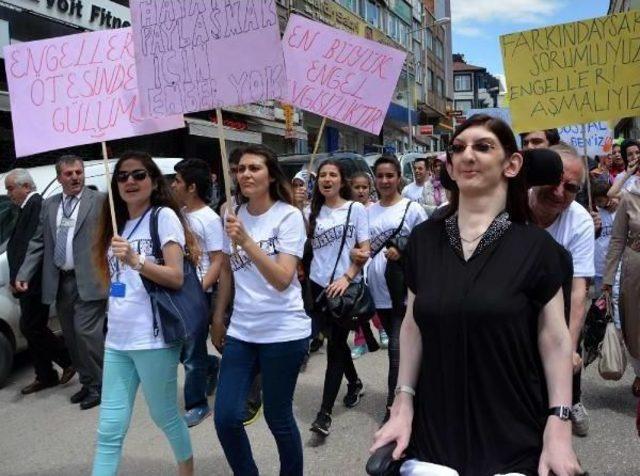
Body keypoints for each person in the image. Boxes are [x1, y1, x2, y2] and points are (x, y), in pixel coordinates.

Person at [371, 114, 581, 476]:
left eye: (483, 147)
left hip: (513, 434)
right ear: (449, 167)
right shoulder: (423, 241)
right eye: (458, 148)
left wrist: (558, 424)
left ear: (512, 164)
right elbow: (412, 326)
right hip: (436, 433)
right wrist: (402, 401)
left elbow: (555, 340)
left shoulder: (539, 249)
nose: (467, 155)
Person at [91, 151, 195, 476]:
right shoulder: (116, 223)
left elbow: (176, 276)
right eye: (122, 176)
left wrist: (137, 262)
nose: (130, 181)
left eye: (138, 175)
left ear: (152, 180)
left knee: (164, 415)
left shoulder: (162, 216)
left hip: (154, 339)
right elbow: (118, 283)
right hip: (117, 340)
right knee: (109, 429)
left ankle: (187, 472)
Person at [211, 145, 310, 476]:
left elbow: (283, 279)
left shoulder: (288, 215)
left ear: (270, 175)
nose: (246, 174)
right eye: (240, 169)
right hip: (242, 330)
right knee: (225, 417)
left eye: (254, 168)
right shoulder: (230, 211)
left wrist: (248, 241)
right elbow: (226, 269)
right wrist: (217, 317)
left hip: (283, 331)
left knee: (277, 417)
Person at [16, 155, 106, 410]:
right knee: (71, 336)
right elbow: (38, 242)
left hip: (89, 279)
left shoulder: (98, 201)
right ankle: (87, 383)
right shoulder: (50, 205)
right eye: (69, 174)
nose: (76, 177)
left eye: (79, 172)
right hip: (61, 282)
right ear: (60, 178)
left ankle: (101, 385)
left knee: (86, 333)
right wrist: (24, 273)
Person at [529, 142, 595, 437]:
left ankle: (567, 404)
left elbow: (578, 291)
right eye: (552, 180)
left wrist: (567, 348)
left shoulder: (578, 219)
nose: (558, 192)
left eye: (570, 188)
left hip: (559, 301)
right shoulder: (509, 203)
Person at [358, 155, 427, 422]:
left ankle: (393, 408)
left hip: (404, 294)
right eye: (380, 176)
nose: (385, 181)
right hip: (377, 294)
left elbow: (426, 249)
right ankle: (414, 395)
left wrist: (404, 252)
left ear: (399, 178)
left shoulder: (412, 209)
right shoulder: (367, 211)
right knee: (402, 351)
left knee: (397, 351)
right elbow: (362, 247)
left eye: (390, 176)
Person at [306, 160, 371, 437]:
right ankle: (354, 382)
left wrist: (347, 277)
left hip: (342, 290)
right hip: (316, 287)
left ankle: (324, 414)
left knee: (335, 347)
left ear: (341, 181)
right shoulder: (311, 212)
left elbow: (364, 249)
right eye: (323, 175)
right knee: (335, 341)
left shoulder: (354, 209)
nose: (327, 179)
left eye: (333, 174)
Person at [5, 168, 74, 395]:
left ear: (25, 187)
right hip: (25, 282)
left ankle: (67, 359)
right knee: (31, 327)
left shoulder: (36, 205)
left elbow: (34, 247)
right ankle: (44, 375)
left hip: (33, 281)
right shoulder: (23, 208)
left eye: (10, 188)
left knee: (31, 326)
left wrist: (22, 277)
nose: (9, 194)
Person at [172, 158, 223, 427]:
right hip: (175, 290)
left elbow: (218, 260)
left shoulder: (209, 219)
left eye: (177, 181)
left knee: (191, 352)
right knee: (178, 346)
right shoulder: (175, 214)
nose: (173, 185)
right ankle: (211, 366)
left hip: (198, 292)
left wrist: (199, 289)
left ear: (191, 187)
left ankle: (198, 404)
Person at [603, 155, 640, 398]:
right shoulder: (629, 197)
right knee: (635, 322)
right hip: (634, 266)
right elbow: (617, 240)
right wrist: (607, 278)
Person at [349, 171, 387, 360]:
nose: (361, 191)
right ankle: (360, 341)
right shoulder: (347, 210)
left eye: (364, 187)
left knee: (373, 299)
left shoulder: (374, 209)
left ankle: (381, 329)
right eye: (357, 187)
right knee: (357, 304)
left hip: (372, 261)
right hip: (353, 264)